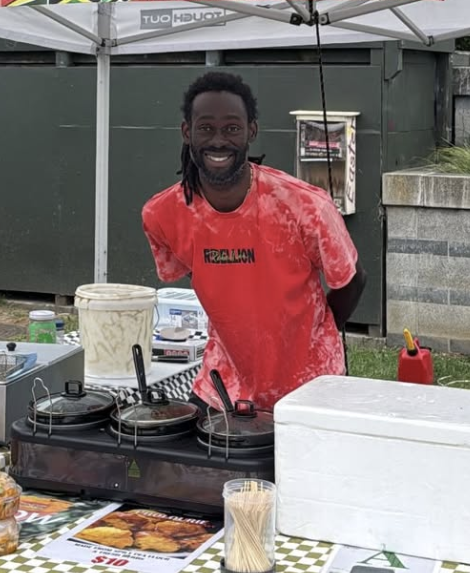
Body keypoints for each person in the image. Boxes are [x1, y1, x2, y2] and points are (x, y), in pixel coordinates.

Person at [142, 71, 366, 411]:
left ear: (252, 131)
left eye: (232, 128)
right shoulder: (161, 215)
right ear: (187, 132)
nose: (219, 140)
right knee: (180, 447)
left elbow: (352, 279)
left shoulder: (306, 205)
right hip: (223, 385)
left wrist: (316, 333)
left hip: (310, 383)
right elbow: (200, 275)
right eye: (206, 128)